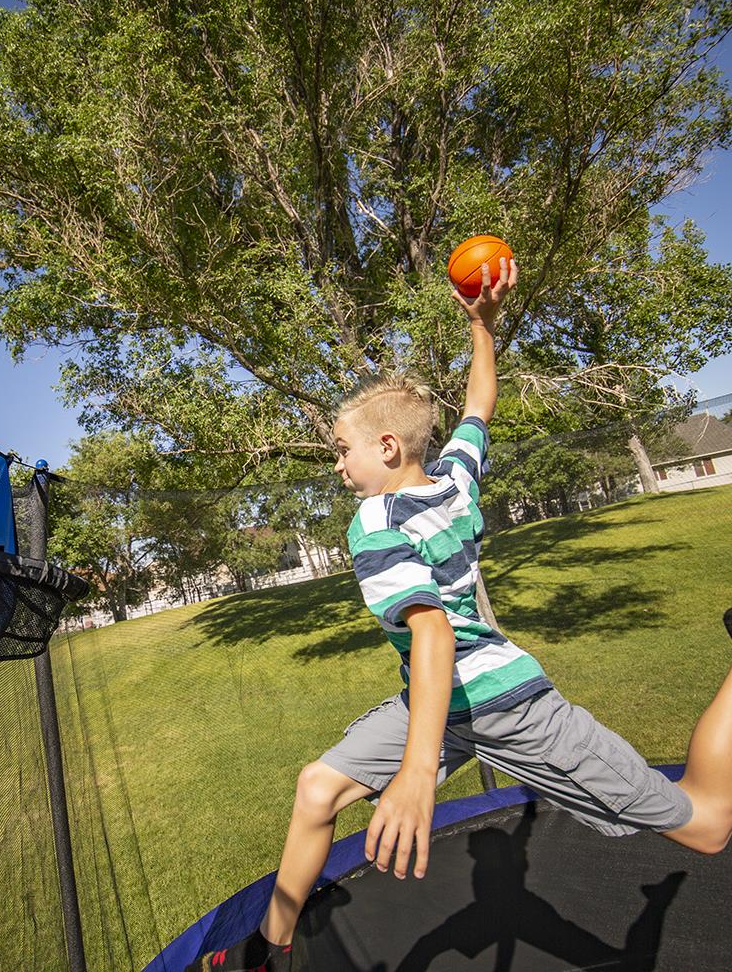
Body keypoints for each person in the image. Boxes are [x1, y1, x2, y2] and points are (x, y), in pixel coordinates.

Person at [187, 257, 732, 972]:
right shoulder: (453, 480)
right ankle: (263, 950)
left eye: (342, 450)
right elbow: (479, 407)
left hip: (509, 705)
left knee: (708, 823)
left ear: (386, 448)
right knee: (318, 787)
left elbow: (434, 631)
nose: (337, 465)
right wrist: (483, 326)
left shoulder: (376, 523)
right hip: (435, 705)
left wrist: (417, 774)